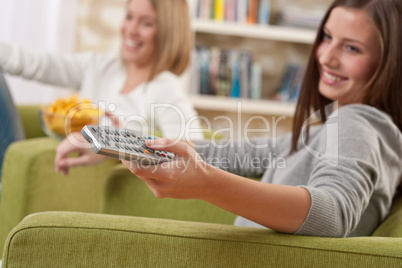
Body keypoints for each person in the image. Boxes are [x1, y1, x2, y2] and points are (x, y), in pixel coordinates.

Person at [122, 0, 402, 238]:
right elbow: (238, 152)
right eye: (327, 37)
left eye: (351, 48)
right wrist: (128, 144)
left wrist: (205, 183)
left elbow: (333, 214)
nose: (326, 57)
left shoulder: (358, 122)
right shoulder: (326, 129)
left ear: (391, 63)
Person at [0, 0, 203, 175]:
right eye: (129, 17)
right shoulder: (101, 67)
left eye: (146, 23)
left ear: (168, 34)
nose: (131, 30)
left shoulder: (165, 88)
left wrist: (117, 144)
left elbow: (192, 156)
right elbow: (40, 65)